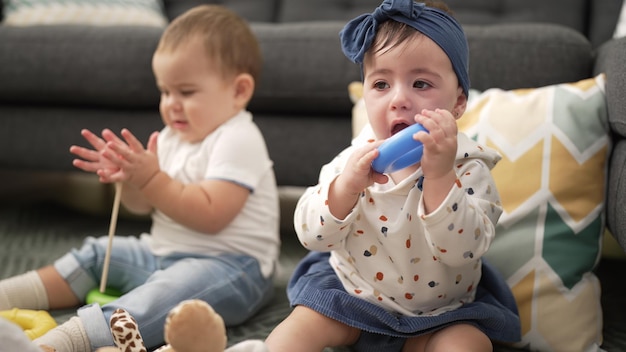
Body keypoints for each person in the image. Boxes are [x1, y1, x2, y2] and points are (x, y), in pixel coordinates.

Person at [0, 4, 280, 351]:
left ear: (239, 91)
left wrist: (152, 179)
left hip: (232, 268)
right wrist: (131, 181)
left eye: (186, 92)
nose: (171, 104)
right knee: (98, 253)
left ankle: (62, 342)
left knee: (167, 295)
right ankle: (6, 294)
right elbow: (142, 205)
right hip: (162, 253)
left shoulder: (239, 138)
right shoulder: (171, 135)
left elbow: (210, 216)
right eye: (165, 91)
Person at [264, 0, 521, 351]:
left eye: (420, 83)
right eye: (381, 84)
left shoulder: (469, 168)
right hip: (351, 297)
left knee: (468, 345)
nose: (399, 99)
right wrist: (345, 189)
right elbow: (311, 235)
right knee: (292, 335)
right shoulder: (354, 161)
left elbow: (463, 251)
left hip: (440, 314)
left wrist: (440, 177)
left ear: (458, 102)